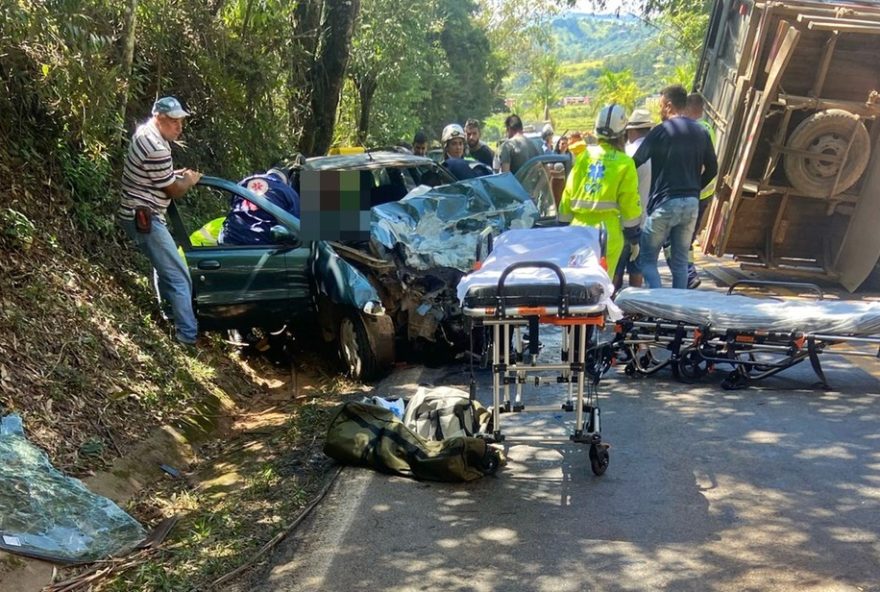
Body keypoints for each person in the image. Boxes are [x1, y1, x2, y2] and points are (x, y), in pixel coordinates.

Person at [118, 96, 203, 346]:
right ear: (159, 118)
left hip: (136, 213)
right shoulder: (156, 146)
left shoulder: (145, 132)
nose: (179, 127)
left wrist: (176, 175)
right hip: (144, 217)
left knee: (163, 266)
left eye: (181, 121)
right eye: (174, 121)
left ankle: (168, 315)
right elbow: (173, 190)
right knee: (179, 276)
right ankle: (187, 337)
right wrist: (188, 180)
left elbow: (158, 176)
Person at [633, 85, 717, 289]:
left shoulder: (660, 132)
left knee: (647, 260)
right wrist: (694, 190)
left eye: (661, 106)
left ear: (669, 106)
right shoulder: (700, 131)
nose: (660, 110)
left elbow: (635, 161)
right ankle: (677, 311)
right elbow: (713, 169)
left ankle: (658, 303)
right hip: (690, 205)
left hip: (664, 203)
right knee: (680, 263)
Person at [558, 104, 642, 280]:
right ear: (623, 133)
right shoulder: (625, 163)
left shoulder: (583, 157)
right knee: (601, 289)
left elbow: (566, 198)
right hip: (607, 235)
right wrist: (634, 240)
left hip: (578, 231)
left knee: (576, 289)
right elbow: (630, 207)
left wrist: (562, 230)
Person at [614, 108, 653, 291]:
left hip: (623, 222)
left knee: (616, 271)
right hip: (645, 219)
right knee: (637, 269)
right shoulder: (656, 154)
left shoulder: (628, 154)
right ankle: (633, 310)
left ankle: (610, 309)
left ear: (631, 131)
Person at [683, 92, 718, 289]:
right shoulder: (707, 128)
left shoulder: (695, 130)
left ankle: (688, 274)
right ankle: (687, 272)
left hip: (694, 191)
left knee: (683, 238)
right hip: (704, 191)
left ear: (688, 109)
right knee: (687, 236)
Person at [219, 167, 300, 245]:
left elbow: (233, 205)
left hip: (229, 238)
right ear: (285, 181)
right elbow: (295, 226)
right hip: (259, 245)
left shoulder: (244, 182)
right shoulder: (288, 191)